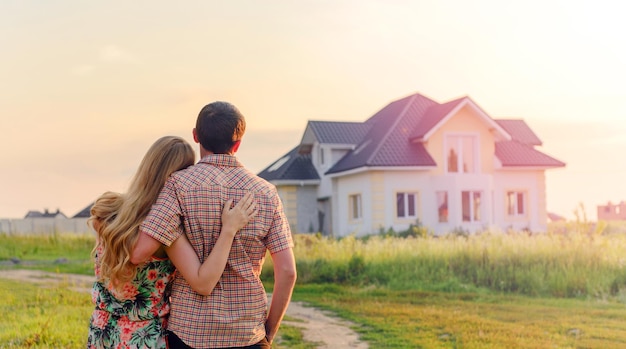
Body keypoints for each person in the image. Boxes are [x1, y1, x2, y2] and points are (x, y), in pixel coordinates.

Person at [130, 101, 297, 349]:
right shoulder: (266, 193)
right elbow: (287, 272)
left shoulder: (178, 185)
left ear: (196, 135)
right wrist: (268, 333)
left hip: (190, 333)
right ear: (238, 143)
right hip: (247, 333)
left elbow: (141, 250)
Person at [86, 136, 257, 349]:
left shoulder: (108, 210)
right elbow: (203, 282)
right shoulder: (166, 233)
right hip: (144, 338)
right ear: (177, 176)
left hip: (102, 332)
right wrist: (229, 230)